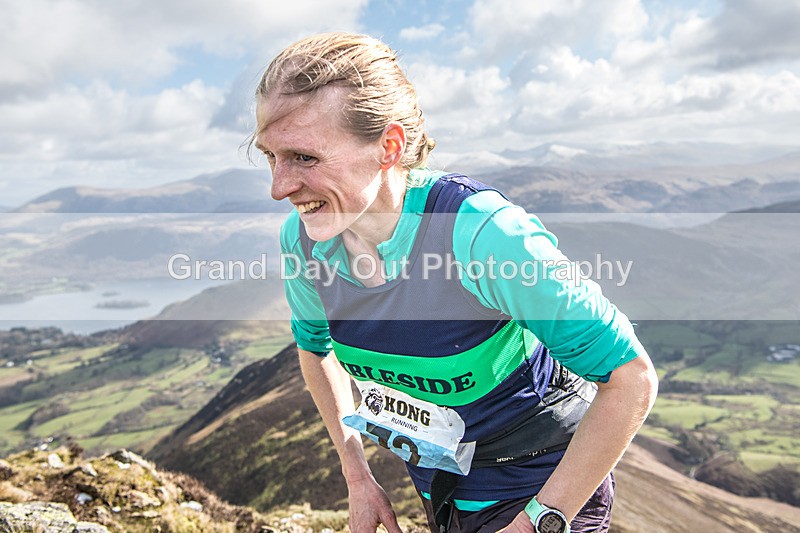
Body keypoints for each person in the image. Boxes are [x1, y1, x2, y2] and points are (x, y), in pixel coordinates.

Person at [251, 32, 658, 533]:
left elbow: (630, 377)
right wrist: (356, 475)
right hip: (440, 486)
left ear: (389, 146)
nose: (278, 187)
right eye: (270, 155)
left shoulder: (482, 234)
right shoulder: (306, 240)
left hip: (541, 486)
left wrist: (539, 522)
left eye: (304, 158)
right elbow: (315, 351)